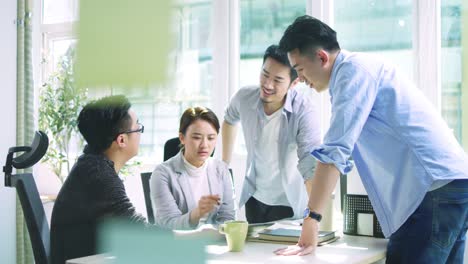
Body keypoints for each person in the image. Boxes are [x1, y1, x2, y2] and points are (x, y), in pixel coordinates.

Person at [275, 15, 468, 263]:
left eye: (300, 69)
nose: (299, 79)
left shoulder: (352, 72)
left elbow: (335, 152)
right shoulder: (362, 68)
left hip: (433, 188)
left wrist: (312, 219)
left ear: (322, 57)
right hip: (453, 183)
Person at [222, 44, 321, 223]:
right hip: (254, 197)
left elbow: (310, 164)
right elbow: (229, 119)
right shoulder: (245, 97)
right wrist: (224, 164)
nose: (268, 84)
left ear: (294, 83)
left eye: (277, 80)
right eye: (265, 75)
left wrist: (314, 217)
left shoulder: (304, 111)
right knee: (252, 251)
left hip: (288, 203)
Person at [50, 95, 147, 264]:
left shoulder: (91, 165)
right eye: (138, 127)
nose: (140, 131)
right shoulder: (98, 175)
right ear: (122, 140)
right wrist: (196, 235)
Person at [151, 106, 235, 230]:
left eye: (211, 138)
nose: (204, 145)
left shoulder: (221, 169)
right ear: (182, 138)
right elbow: (168, 225)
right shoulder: (162, 174)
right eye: (196, 137)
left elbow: (228, 218)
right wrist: (197, 214)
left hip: (216, 244)